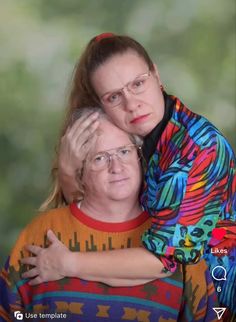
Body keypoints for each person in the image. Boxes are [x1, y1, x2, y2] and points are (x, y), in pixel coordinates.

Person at [10, 33, 236, 320]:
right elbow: (100, 211)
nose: (132, 104)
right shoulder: (143, 140)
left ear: (156, 73)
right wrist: (69, 171)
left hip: (215, 305)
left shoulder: (199, 148)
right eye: (114, 96)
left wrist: (69, 264)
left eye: (138, 84)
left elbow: (160, 262)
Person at [0, 108, 218, 321]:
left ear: (139, 156)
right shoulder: (42, 233)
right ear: (80, 171)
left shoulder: (178, 235)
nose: (117, 167)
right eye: (100, 158)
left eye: (124, 151)